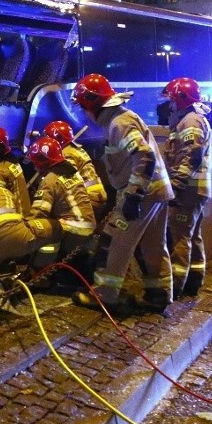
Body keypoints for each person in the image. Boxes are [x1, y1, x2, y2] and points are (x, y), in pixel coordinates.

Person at [70, 73, 175, 313]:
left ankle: (105, 296)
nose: (82, 113)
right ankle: (158, 294)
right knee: (153, 246)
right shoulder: (119, 119)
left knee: (114, 241)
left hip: (143, 195)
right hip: (156, 192)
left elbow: (144, 157)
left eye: (83, 107)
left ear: (92, 104)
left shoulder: (119, 123)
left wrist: (133, 195)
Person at [161, 77, 212, 299]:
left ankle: (177, 286)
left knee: (180, 238)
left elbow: (191, 155)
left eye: (171, 101)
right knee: (193, 237)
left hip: (187, 192)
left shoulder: (190, 122)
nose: (169, 106)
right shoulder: (191, 120)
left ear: (180, 100)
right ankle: (194, 281)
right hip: (195, 191)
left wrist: (175, 187)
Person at [0, 172, 59, 266]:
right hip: (16, 239)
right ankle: (40, 267)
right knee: (56, 227)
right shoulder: (5, 192)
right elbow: (22, 217)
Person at [27, 136, 97, 257]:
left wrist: (24, 227)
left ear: (42, 160)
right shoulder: (73, 172)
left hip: (73, 232)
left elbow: (39, 213)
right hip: (90, 226)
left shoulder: (49, 180)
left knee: (44, 227)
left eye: (35, 162)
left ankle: (42, 265)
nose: (34, 166)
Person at [43, 120, 108, 219]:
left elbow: (66, 180)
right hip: (97, 196)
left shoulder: (66, 154)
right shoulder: (76, 149)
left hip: (88, 198)